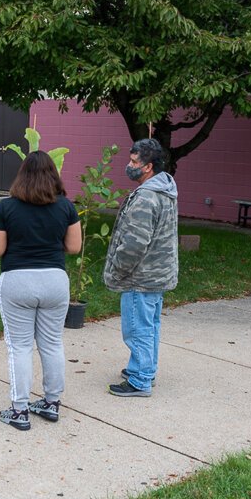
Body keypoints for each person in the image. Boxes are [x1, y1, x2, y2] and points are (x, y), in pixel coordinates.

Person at [0, 151, 82, 431]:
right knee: (52, 343)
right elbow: (74, 247)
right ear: (54, 175)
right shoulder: (66, 207)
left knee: (20, 346)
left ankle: (19, 410)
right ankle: (51, 403)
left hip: (18, 281)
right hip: (55, 280)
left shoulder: (6, 208)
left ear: (22, 175)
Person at [104, 138, 178, 398]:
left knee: (138, 329)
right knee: (150, 326)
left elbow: (135, 244)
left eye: (134, 162)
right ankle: (145, 368)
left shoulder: (147, 196)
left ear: (148, 167)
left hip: (141, 277)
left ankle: (140, 380)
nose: (129, 165)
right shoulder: (165, 189)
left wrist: (117, 270)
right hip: (157, 275)